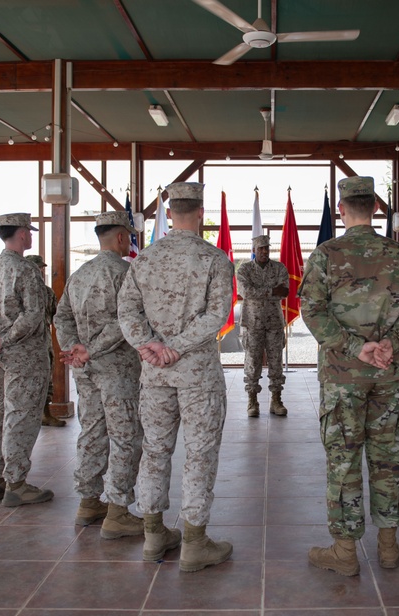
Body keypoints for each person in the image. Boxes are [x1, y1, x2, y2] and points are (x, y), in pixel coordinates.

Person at [299, 176, 399, 576]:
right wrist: (393, 342)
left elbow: (312, 310)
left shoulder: (326, 254)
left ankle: (344, 553)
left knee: (344, 460)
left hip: (343, 378)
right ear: (375, 207)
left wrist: (356, 347)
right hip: (388, 375)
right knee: (387, 459)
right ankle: (388, 547)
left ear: (341, 209)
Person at [118, 181, 235, 571]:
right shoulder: (215, 259)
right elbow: (216, 316)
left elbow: (127, 312)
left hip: (154, 373)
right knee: (199, 455)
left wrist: (149, 345)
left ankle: (154, 536)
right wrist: (178, 347)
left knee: (154, 450)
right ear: (201, 213)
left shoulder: (145, 259)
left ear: (169, 214)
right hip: (197, 375)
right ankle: (195, 544)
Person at [55, 211, 144, 536]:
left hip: (85, 370)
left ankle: (89, 501)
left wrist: (74, 348)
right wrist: (90, 348)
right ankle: (118, 511)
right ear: (121, 237)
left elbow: (61, 316)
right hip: (117, 371)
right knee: (125, 436)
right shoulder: (126, 273)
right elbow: (126, 320)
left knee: (91, 431)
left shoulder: (80, 274)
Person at [0, 213, 53, 507]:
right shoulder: (26, 270)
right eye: (28, 232)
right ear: (20, 235)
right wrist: (4, 338)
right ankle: (15, 483)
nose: (31, 236)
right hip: (24, 356)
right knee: (20, 416)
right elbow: (33, 315)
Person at [236, 234, 289, 418]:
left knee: (276, 362)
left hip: (274, 322)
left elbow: (284, 292)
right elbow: (245, 291)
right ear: (254, 250)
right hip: (253, 323)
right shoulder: (244, 270)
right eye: (260, 248)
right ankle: (252, 401)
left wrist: (262, 292)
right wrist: (271, 290)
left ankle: (276, 400)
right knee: (252, 361)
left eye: (267, 248)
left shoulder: (279, 268)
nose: (264, 251)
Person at [25, 254, 67, 428]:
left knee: (46, 378)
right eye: (37, 268)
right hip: (23, 344)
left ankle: (45, 413)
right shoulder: (21, 289)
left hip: (43, 340)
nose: (40, 272)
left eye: (42, 268)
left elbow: (55, 315)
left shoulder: (46, 291)